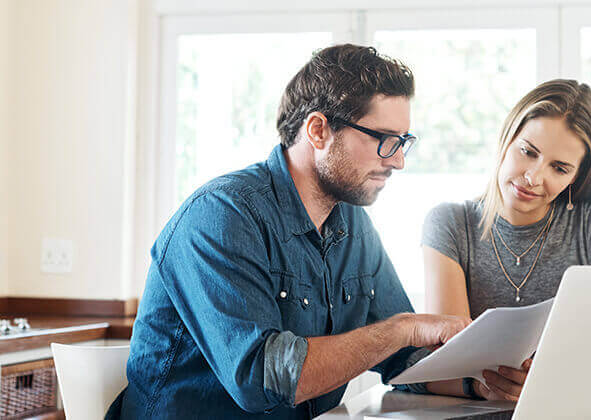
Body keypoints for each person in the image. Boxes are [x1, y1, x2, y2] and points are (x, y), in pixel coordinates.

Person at [110, 44, 526, 420]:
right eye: (384, 139)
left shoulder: (353, 224)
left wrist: (479, 384)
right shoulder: (221, 215)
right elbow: (261, 377)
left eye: (403, 141)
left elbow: (405, 358)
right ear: (318, 130)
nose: (398, 161)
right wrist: (402, 327)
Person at [422, 79, 591, 398]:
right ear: (507, 137)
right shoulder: (450, 224)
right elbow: (448, 361)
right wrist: (485, 388)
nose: (533, 177)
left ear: (576, 177)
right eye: (528, 152)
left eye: (559, 168)